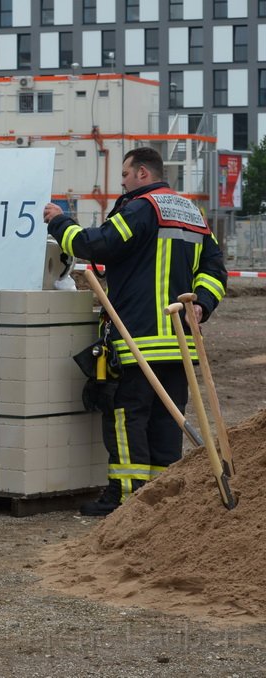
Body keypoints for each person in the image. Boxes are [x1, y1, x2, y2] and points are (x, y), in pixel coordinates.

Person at [44, 147, 227, 516]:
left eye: (125, 175)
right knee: (166, 419)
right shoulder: (193, 213)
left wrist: (60, 222)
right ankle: (162, 499)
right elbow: (214, 267)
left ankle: (127, 499)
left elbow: (99, 245)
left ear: (143, 173)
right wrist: (203, 302)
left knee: (128, 416)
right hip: (179, 343)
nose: (123, 183)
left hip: (139, 338)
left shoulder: (142, 207)